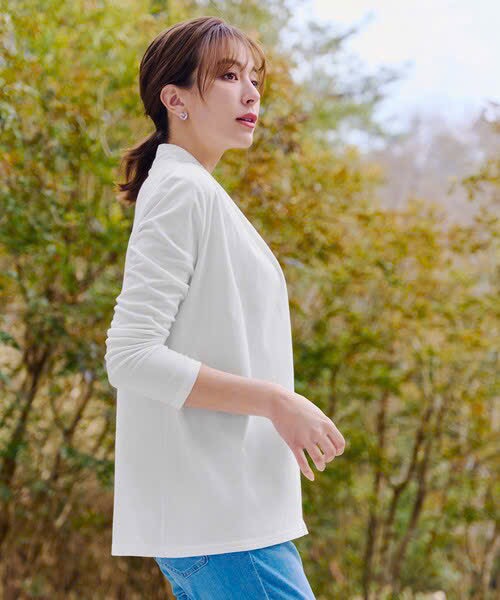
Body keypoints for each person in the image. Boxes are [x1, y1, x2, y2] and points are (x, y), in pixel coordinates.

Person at [104, 15, 345, 600]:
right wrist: (276, 402)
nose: (252, 92)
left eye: (254, 77)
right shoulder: (181, 190)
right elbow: (130, 356)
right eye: (230, 76)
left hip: (228, 520)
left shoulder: (193, 190)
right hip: (222, 523)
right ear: (175, 99)